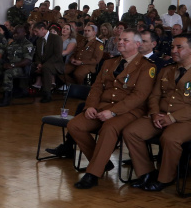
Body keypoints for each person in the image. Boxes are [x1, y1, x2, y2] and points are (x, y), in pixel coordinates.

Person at [65, 29, 155, 188]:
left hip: (129, 110)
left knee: (109, 128)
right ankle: (102, 162)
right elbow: (97, 87)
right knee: (75, 125)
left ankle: (93, 174)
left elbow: (139, 96)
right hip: (103, 106)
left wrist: (113, 112)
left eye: (125, 40)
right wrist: (90, 106)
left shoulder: (146, 66)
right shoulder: (109, 63)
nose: (120, 42)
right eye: (119, 39)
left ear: (137, 44)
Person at [122, 32, 191, 192]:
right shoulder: (166, 69)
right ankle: (146, 173)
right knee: (131, 132)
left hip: (189, 121)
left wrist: (173, 117)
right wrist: (155, 113)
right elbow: (154, 95)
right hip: (160, 115)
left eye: (179, 47)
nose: (173, 50)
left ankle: (165, 178)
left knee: (170, 138)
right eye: (172, 47)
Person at [0, 24, 34, 107]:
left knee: (8, 73)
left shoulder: (27, 44)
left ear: (24, 33)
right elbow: (5, 55)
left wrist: (13, 65)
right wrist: (4, 63)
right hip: (10, 65)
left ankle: (6, 98)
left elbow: (27, 60)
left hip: (21, 68)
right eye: (14, 33)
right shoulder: (12, 43)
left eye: (17, 33)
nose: (14, 35)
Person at [31, 21, 64, 103]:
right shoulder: (39, 40)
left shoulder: (56, 38)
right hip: (43, 63)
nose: (35, 33)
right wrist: (38, 63)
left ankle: (47, 93)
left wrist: (44, 64)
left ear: (42, 29)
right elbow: (37, 55)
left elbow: (57, 55)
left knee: (46, 68)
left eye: (36, 31)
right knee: (29, 66)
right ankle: (24, 89)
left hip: (55, 63)